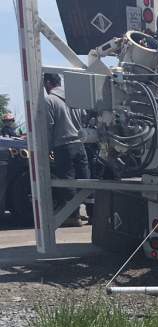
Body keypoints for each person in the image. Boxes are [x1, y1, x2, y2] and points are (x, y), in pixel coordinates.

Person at [42, 72, 91, 226]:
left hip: (63, 146)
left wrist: (47, 148)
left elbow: (48, 126)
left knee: (67, 182)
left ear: (48, 83)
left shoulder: (49, 100)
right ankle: (94, 214)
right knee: (85, 180)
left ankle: (73, 216)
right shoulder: (73, 98)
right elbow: (84, 117)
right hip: (80, 144)